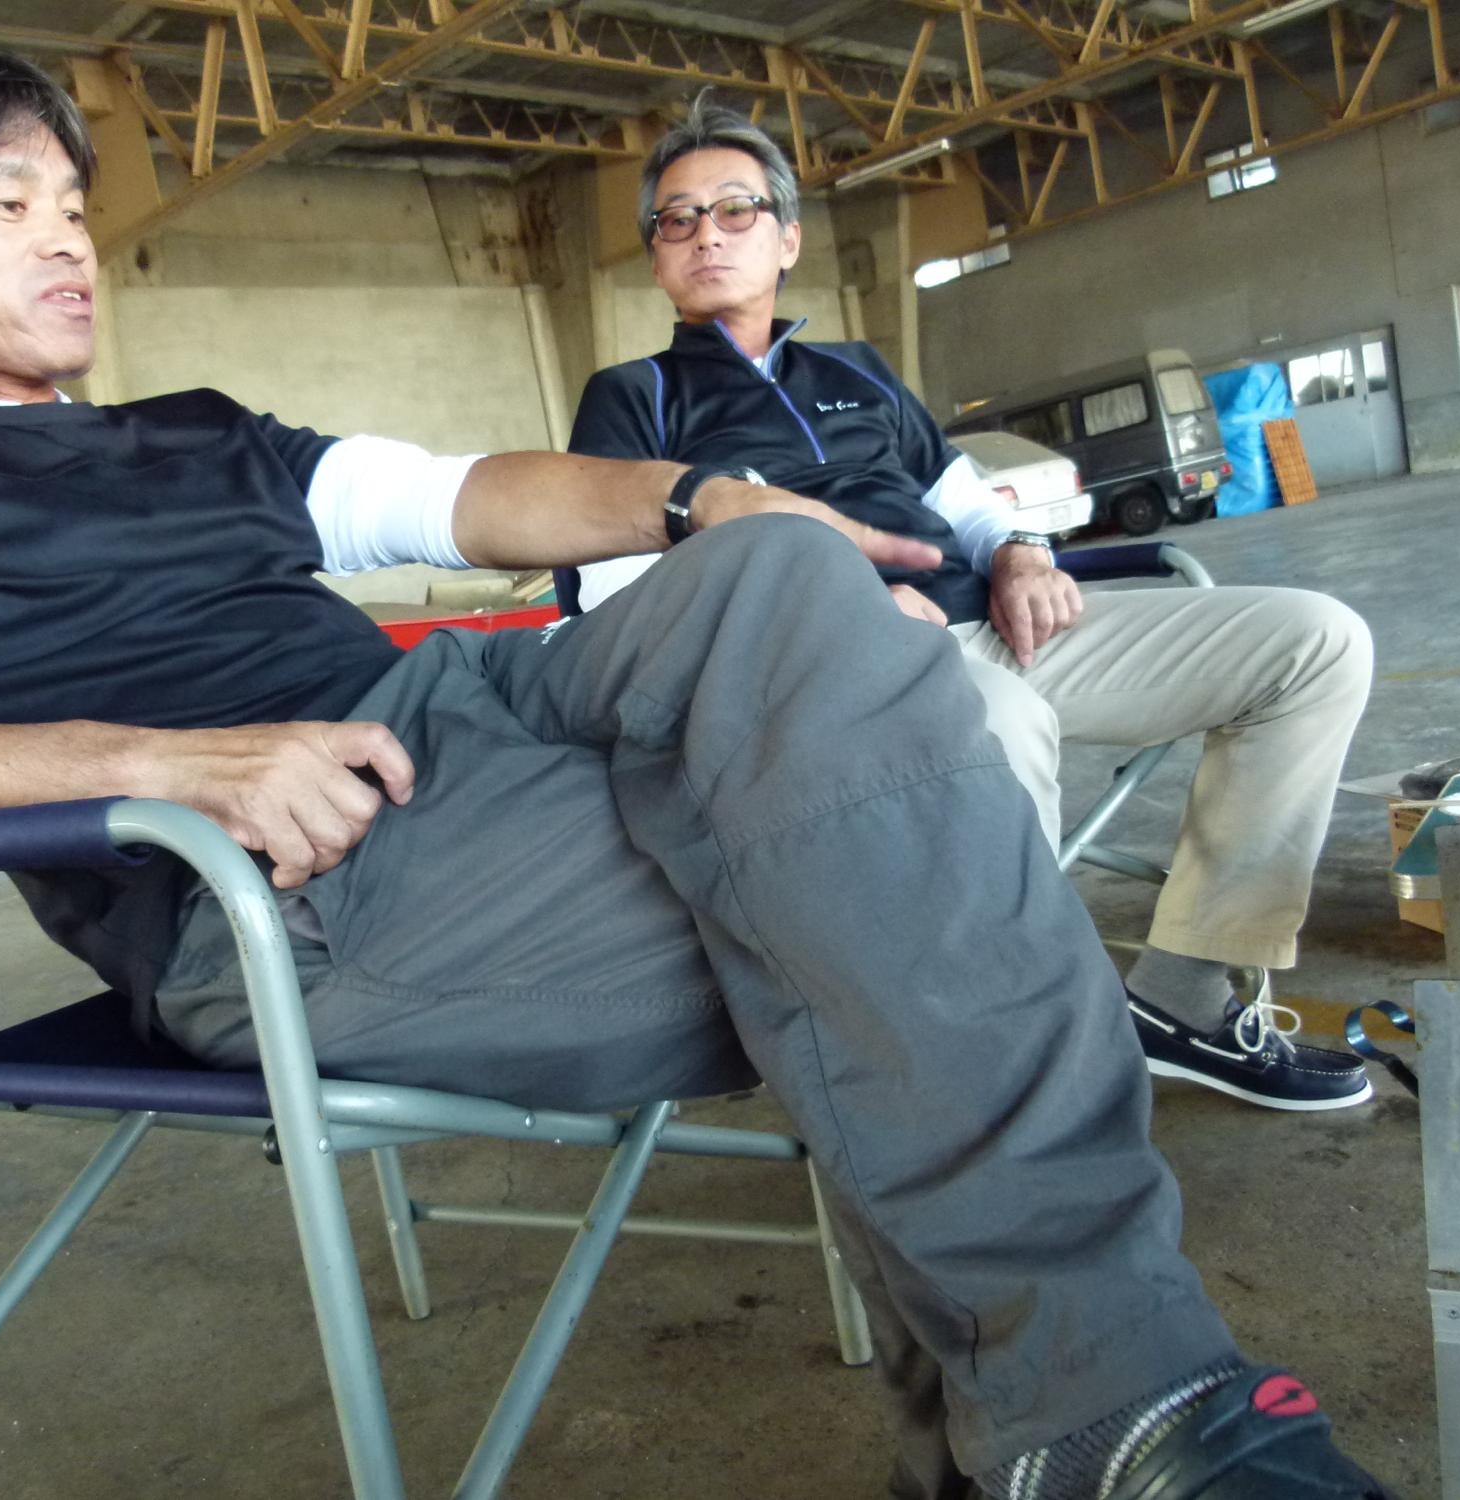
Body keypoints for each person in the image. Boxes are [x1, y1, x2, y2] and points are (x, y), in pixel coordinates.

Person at [0, 46, 1394, 1500]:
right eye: (9, 203)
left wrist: (697, 498)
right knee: (899, 891)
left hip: (471, 720)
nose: (69, 239)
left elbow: (469, 495)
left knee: (786, 588)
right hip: (291, 881)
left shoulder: (193, 430)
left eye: (71, 200)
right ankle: (1114, 1411)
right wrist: (159, 765)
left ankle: (1043, 1421)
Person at [567, 93, 1378, 1115]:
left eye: (735, 208)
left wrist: (1024, 555)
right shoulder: (633, 399)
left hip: (992, 628)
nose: (706, 234)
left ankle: (1185, 996)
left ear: (787, 238)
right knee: (999, 723)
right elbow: (610, 597)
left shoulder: (857, 373)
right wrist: (834, 614)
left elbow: (967, 501)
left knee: (1314, 642)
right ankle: (1023, 1067)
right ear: (655, 258)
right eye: (676, 219)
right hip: (833, 674)